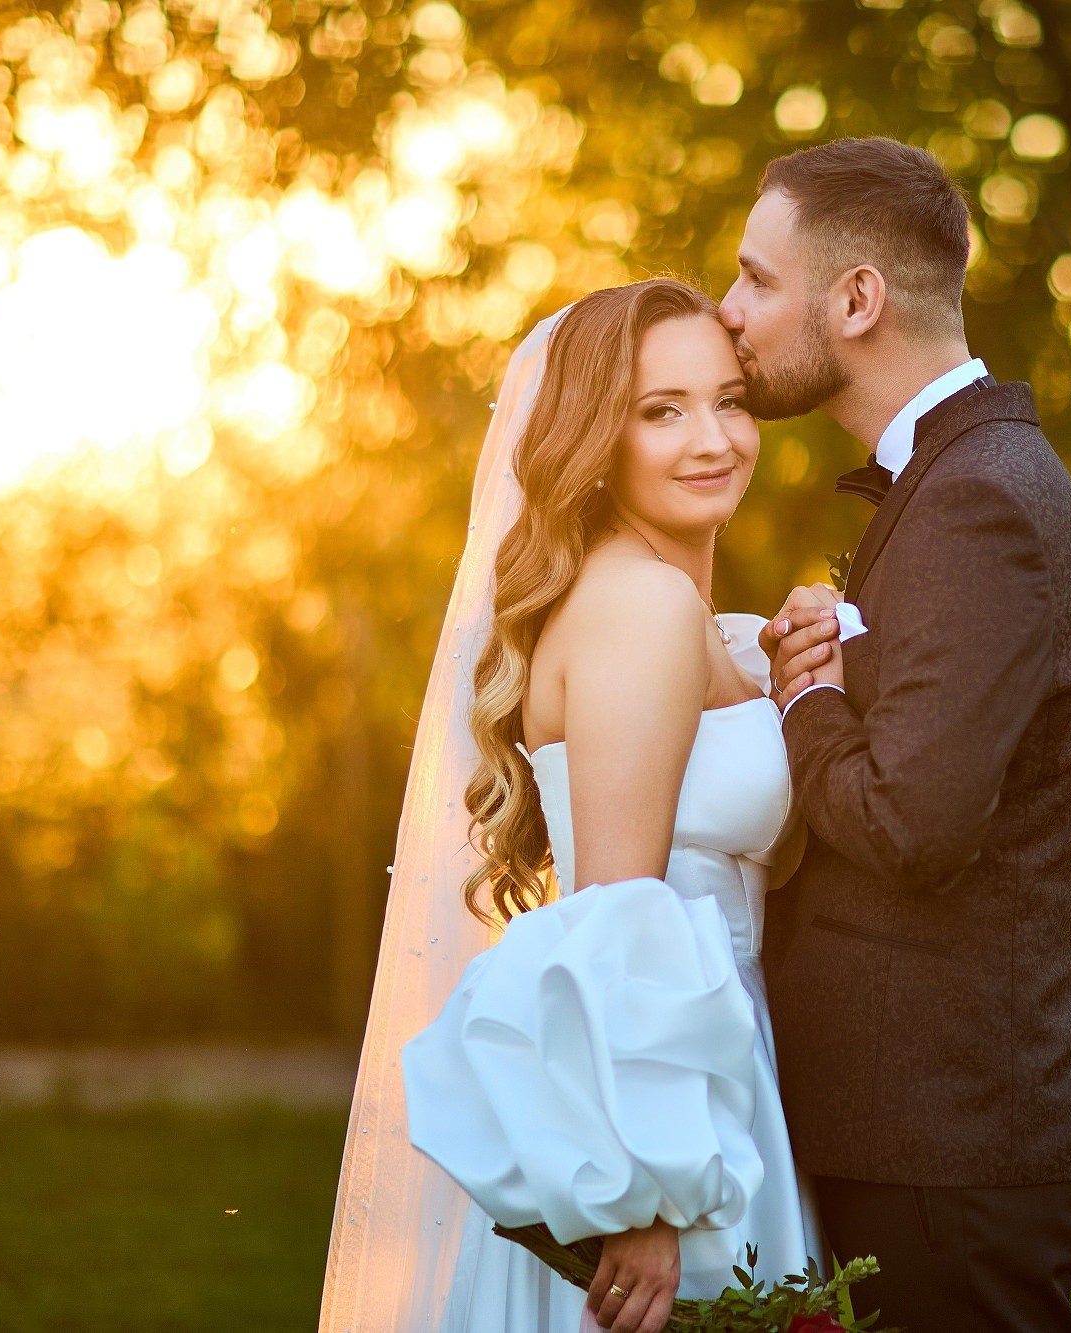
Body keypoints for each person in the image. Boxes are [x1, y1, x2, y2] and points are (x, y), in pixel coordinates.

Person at [318, 279, 819, 1333]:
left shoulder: (667, 608)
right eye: (661, 409)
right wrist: (643, 1197)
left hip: (714, 1071)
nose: (714, 438)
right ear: (596, 434)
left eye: (728, 400)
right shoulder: (635, 605)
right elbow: (617, 909)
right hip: (662, 1112)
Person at [720, 137, 1071, 1333]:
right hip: (936, 1130)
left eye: (757, 279)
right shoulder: (959, 477)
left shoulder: (979, 497)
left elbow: (913, 825)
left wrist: (806, 694)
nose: (730, 311)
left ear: (855, 298)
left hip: (960, 1138)